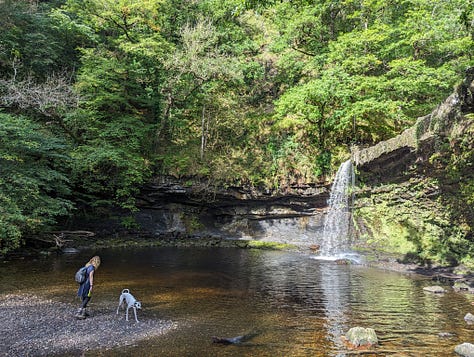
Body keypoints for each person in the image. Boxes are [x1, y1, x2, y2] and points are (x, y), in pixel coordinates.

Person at [75, 255, 101, 319]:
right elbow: (91, 277)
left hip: (83, 283)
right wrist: (91, 286)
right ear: (97, 262)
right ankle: (79, 312)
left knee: (84, 297)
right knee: (87, 297)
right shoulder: (92, 268)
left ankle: (84, 312)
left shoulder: (87, 266)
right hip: (87, 284)